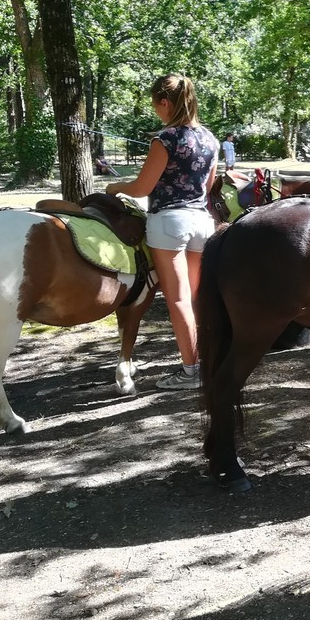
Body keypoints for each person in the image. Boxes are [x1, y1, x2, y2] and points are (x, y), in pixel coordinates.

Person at [106, 73, 220, 388]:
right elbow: (207, 186)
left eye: (157, 106)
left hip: (169, 224)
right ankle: (203, 362)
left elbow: (142, 187)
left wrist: (115, 186)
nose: (157, 111)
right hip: (201, 222)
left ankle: (191, 371)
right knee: (196, 297)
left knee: (179, 300)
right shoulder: (210, 139)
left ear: (165, 103)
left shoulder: (166, 139)